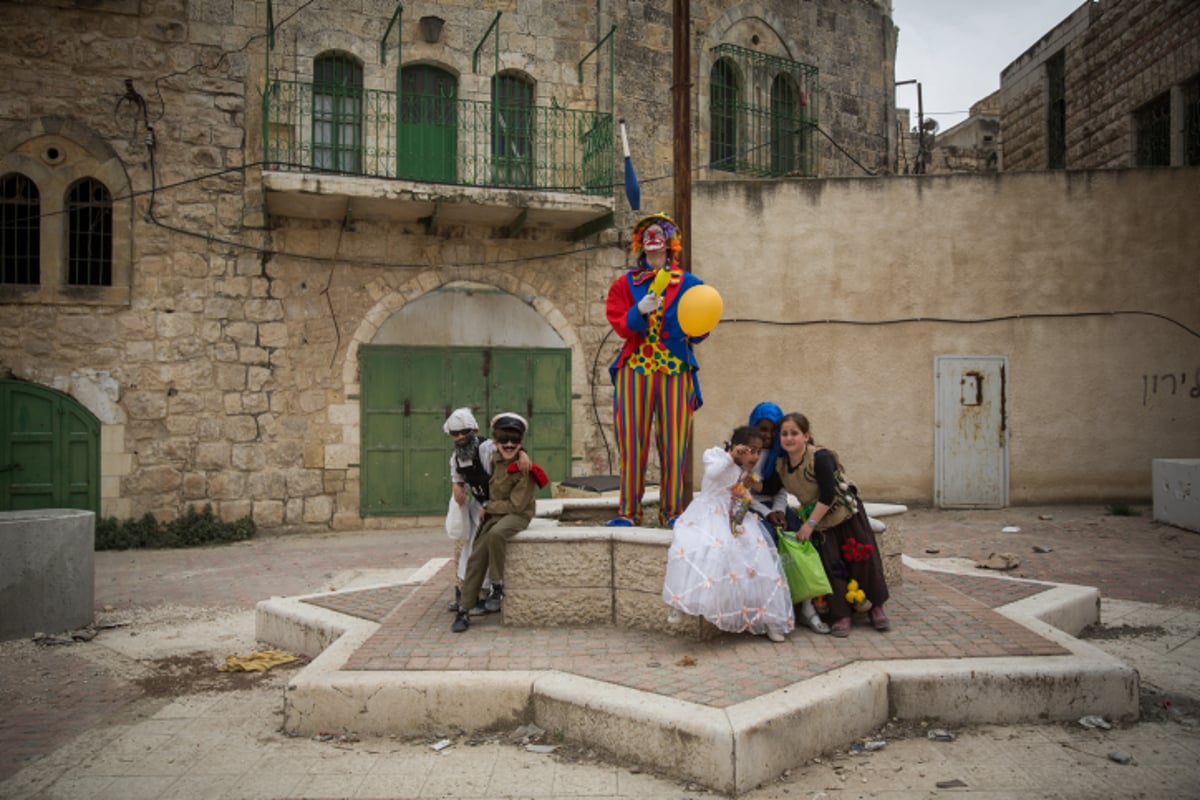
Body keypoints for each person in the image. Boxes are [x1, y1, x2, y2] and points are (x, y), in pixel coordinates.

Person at [605, 212, 709, 528]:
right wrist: (639, 310)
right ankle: (628, 512)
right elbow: (621, 326)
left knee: (675, 444)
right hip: (635, 366)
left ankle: (673, 512)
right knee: (632, 442)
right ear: (641, 245)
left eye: (658, 234)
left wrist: (687, 326)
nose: (652, 240)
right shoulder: (625, 284)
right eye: (646, 235)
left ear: (669, 244)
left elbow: (701, 329)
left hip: (675, 367)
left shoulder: (690, 283)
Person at [661, 425, 794, 642]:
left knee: (757, 551)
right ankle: (681, 604)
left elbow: (743, 497)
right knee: (703, 547)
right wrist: (731, 455)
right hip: (706, 513)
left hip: (733, 517)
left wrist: (750, 511)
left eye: (758, 451)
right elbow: (713, 473)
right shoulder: (715, 456)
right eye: (751, 450)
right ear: (737, 447)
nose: (755, 455)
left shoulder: (745, 472)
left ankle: (768, 619)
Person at [764, 412, 891, 638]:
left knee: (861, 558)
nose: (789, 438)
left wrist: (809, 525)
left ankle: (875, 607)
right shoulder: (781, 465)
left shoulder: (820, 458)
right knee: (832, 564)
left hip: (844, 515)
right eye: (784, 434)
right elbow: (766, 489)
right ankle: (841, 614)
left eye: (795, 433)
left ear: (806, 436)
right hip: (821, 523)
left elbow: (828, 494)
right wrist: (742, 473)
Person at [451, 413, 545, 633]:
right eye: (504, 440)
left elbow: (516, 506)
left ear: (521, 443)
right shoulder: (493, 458)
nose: (509, 445)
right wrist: (458, 485)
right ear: (496, 443)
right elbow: (472, 455)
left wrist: (488, 508)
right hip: (495, 514)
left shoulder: (525, 468)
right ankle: (464, 608)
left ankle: (497, 585)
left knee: (495, 535)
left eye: (515, 441)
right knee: (477, 552)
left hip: (516, 515)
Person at [747, 402, 830, 635]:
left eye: (773, 430)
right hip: (751, 509)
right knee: (769, 547)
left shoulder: (780, 455)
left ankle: (807, 605)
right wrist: (767, 513)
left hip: (777, 508)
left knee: (801, 541)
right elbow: (744, 492)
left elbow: (781, 489)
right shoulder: (745, 452)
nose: (768, 435)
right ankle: (774, 614)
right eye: (762, 429)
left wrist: (781, 512)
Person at [443, 408, 530, 613]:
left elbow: (508, 446)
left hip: (496, 506)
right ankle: (466, 594)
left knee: (485, 544)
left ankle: (489, 591)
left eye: (465, 432)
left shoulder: (486, 448)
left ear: (474, 430)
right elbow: (458, 477)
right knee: (469, 548)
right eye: (455, 434)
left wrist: (524, 453)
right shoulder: (456, 457)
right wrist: (457, 486)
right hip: (479, 506)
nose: (461, 437)